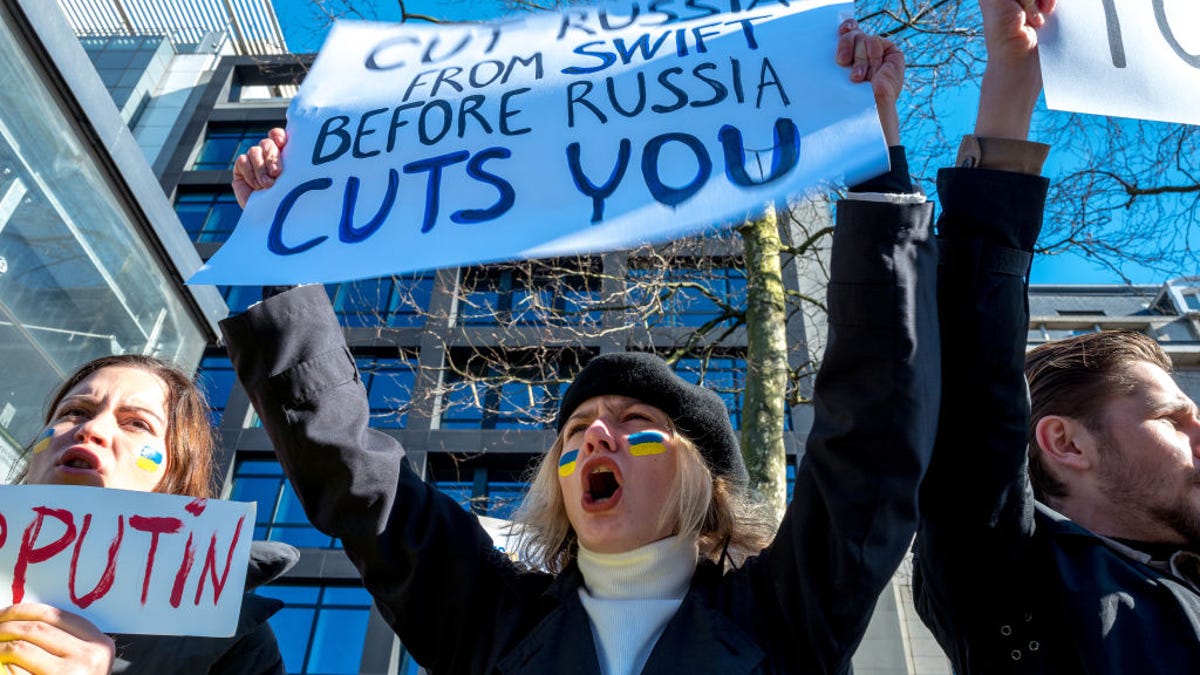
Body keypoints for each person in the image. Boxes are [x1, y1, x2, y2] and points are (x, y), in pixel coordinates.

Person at [223, 22, 938, 674]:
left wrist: (875, 162)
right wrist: (280, 250)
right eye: (575, 430)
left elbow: (872, 437)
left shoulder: (786, 614)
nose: (595, 434)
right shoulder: (490, 622)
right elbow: (356, 477)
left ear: (703, 482)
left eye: (635, 424)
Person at [912, 0, 1200, 671]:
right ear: (1066, 441)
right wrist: (1011, 90)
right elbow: (973, 393)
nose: (1199, 433)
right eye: (1173, 418)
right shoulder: (1019, 587)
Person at [1, 354, 297, 674]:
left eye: (137, 423)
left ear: (176, 474)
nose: (92, 428)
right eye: (75, 412)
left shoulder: (234, 644)